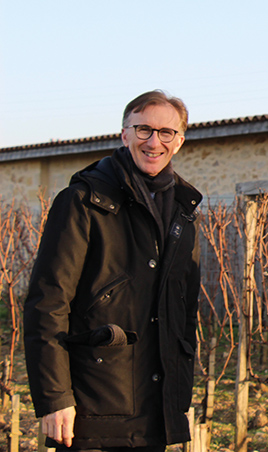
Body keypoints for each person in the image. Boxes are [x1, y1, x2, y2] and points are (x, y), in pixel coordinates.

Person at [24, 90, 203, 451]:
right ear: (124, 134)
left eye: (166, 132)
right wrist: (55, 397)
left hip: (156, 407)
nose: (154, 142)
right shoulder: (82, 202)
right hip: (94, 404)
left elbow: (185, 312)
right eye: (143, 130)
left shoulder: (184, 213)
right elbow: (47, 304)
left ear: (179, 141)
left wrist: (178, 394)